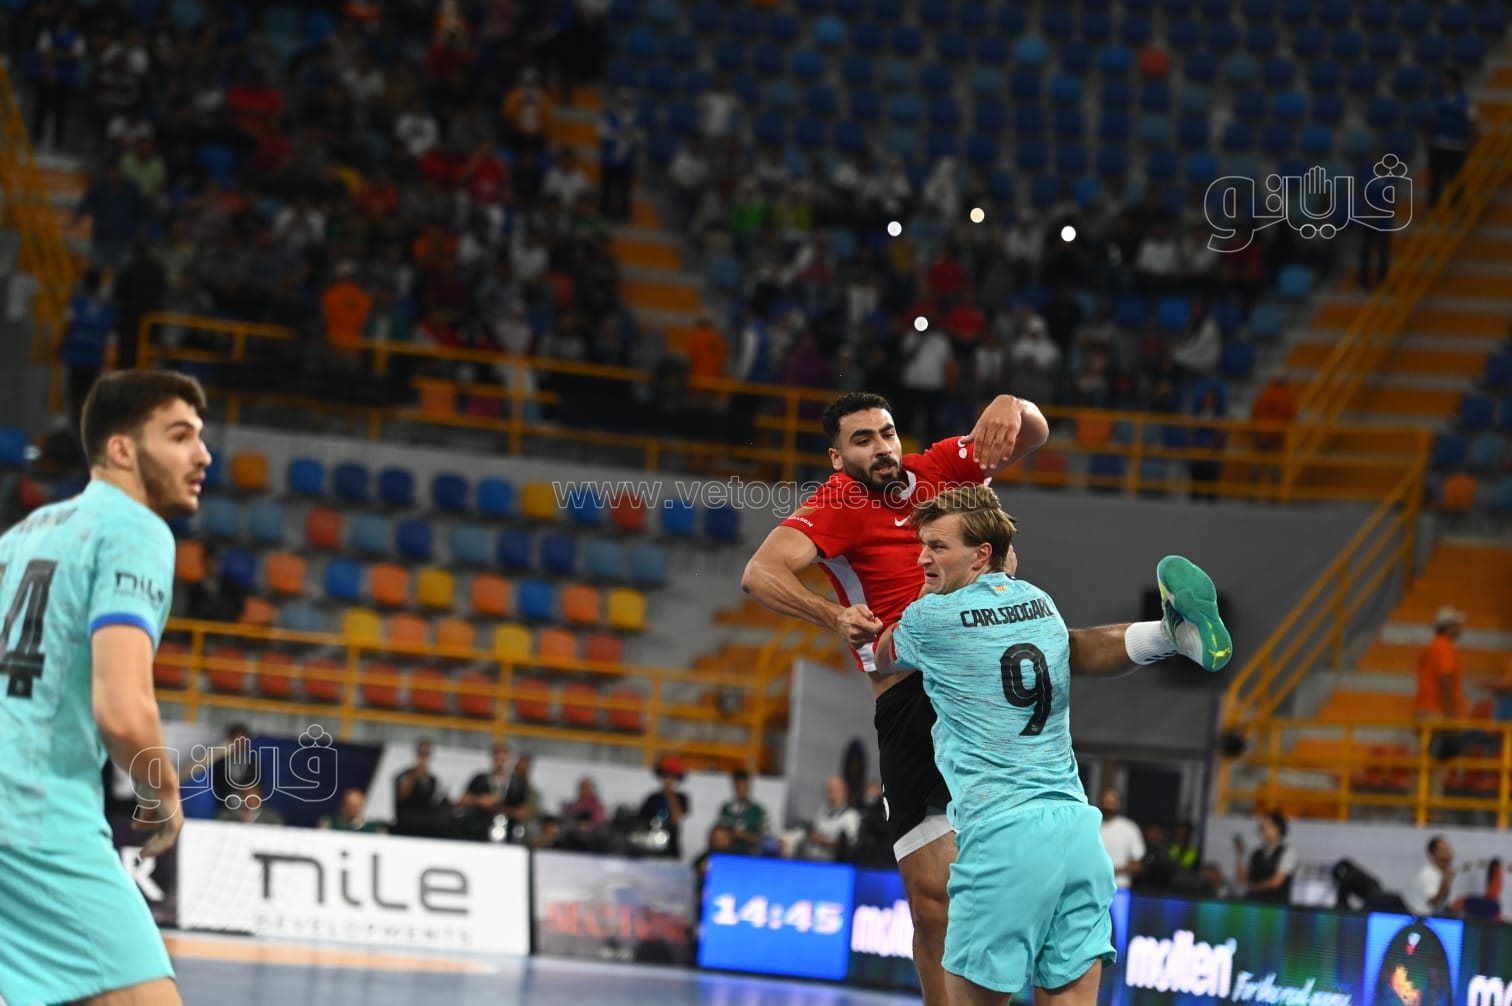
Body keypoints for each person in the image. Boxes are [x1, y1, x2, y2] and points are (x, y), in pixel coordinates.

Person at [741, 390, 1049, 1003]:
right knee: (933, 906)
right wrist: (831, 615)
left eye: (886, 433)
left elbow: (1034, 433)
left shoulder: (940, 466)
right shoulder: (839, 504)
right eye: (863, 440)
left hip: (985, 696)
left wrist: (1011, 403)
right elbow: (760, 573)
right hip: (910, 706)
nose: (882, 448)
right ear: (837, 458)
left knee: (1012, 887)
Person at [872, 484, 1232, 1006]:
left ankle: (1166, 637)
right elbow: (1073, 649)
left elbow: (884, 656)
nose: (923, 558)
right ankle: (1165, 636)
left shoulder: (931, 620)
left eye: (937, 547)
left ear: (981, 555)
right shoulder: (1038, 602)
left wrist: (924, 598)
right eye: (923, 545)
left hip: (1002, 840)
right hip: (1078, 836)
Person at [0, 369, 211, 1006]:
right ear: (121, 449)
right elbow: (121, 709)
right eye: (180, 436)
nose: (203, 454)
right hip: (35, 818)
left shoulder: (21, 535)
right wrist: (163, 791)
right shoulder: (137, 529)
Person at [1233, 810, 1297, 903]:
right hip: (1253, 901)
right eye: (1261, 827)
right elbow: (1243, 879)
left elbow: (1275, 882)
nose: (1263, 831)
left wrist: (1253, 887)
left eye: (1267, 826)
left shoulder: (1288, 852)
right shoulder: (1256, 853)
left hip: (1275, 904)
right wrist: (1240, 855)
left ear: (1278, 829)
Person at [797, 775, 861, 862]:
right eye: (829, 791)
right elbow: (815, 830)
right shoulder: (823, 811)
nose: (832, 795)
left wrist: (823, 841)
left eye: (836, 791)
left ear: (845, 792)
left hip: (835, 864)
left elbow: (850, 847)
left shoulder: (851, 815)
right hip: (814, 861)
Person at [638, 756, 690, 858]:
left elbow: (677, 818)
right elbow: (641, 820)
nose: (669, 780)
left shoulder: (681, 797)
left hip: (671, 848)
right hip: (650, 847)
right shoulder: (653, 797)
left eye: (673, 777)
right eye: (666, 776)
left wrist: (670, 796)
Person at [1098, 787, 1146, 890]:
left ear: (1119, 804)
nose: (1108, 806)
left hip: (1120, 887)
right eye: (1106, 802)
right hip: (1094, 887)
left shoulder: (1129, 828)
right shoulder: (1093, 826)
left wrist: (1112, 871)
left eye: (1112, 803)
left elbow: (1138, 864)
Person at [716, 769, 769, 855]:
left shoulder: (758, 811)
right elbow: (718, 835)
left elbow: (765, 840)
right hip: (728, 854)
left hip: (749, 855)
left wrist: (742, 835)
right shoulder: (726, 809)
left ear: (748, 786)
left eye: (743, 787)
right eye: (738, 787)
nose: (741, 791)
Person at [1406, 835, 1460, 917]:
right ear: (1435, 853)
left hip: (1440, 918)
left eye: (1449, 850)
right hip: (1422, 919)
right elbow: (1435, 903)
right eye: (1445, 850)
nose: (1450, 854)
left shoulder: (1447, 873)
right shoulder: (1426, 875)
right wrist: (1445, 884)